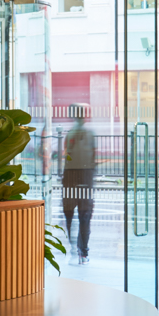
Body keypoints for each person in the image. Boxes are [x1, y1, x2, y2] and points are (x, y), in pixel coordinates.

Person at [60, 105, 96, 264]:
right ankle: (83, 251)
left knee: (69, 214)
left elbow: (66, 155)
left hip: (70, 177)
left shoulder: (70, 134)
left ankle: (74, 246)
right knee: (85, 216)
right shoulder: (91, 134)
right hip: (86, 177)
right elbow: (93, 156)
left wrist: (69, 162)